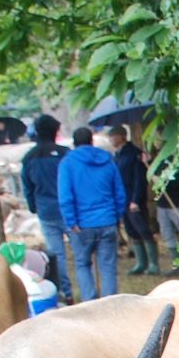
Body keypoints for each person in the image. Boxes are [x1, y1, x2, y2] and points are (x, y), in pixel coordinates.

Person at [58, 125, 126, 301]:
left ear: (74, 142)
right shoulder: (107, 160)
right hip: (107, 220)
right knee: (108, 266)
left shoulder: (68, 163)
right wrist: (116, 216)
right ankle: (110, 303)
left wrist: (71, 222)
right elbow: (119, 192)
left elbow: (65, 196)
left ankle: (90, 302)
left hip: (81, 224)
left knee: (82, 264)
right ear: (91, 141)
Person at [20, 114, 72, 293]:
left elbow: (27, 186)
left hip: (46, 211)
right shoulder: (66, 154)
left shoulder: (29, 158)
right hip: (70, 211)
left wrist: (33, 206)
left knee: (57, 255)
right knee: (81, 254)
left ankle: (66, 292)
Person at [109, 124, 157, 275]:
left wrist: (135, 200)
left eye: (113, 136)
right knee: (131, 230)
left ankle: (153, 264)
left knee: (143, 229)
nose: (110, 139)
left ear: (121, 136)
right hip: (122, 200)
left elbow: (139, 180)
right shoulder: (117, 155)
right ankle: (141, 262)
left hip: (133, 199)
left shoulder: (133, 154)